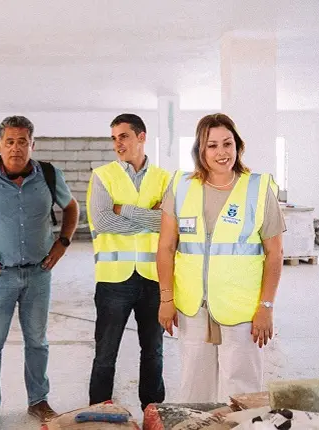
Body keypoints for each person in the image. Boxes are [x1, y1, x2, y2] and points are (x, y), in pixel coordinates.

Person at [0, 115, 79, 429]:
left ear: (32, 144)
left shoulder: (49, 175)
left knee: (37, 341)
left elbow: (71, 207)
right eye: (10, 142)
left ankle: (38, 400)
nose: (16, 148)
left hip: (38, 273)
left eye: (23, 142)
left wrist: (62, 243)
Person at [156, 113, 285, 403]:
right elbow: (165, 247)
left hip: (242, 309)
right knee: (194, 389)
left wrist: (266, 306)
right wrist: (166, 299)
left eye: (227, 143)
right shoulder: (181, 186)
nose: (221, 152)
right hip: (192, 306)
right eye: (212, 145)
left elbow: (275, 252)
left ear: (238, 146)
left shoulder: (259, 188)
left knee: (241, 393)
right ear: (200, 150)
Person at [85, 113, 170, 410]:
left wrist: (125, 209)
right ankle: (100, 410)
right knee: (105, 352)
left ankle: (152, 410)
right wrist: (149, 217)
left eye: (123, 136)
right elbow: (104, 221)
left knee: (154, 351)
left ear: (141, 137)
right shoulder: (102, 175)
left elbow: (169, 223)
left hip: (153, 278)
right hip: (113, 280)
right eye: (114, 138)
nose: (117, 143)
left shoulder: (164, 178)